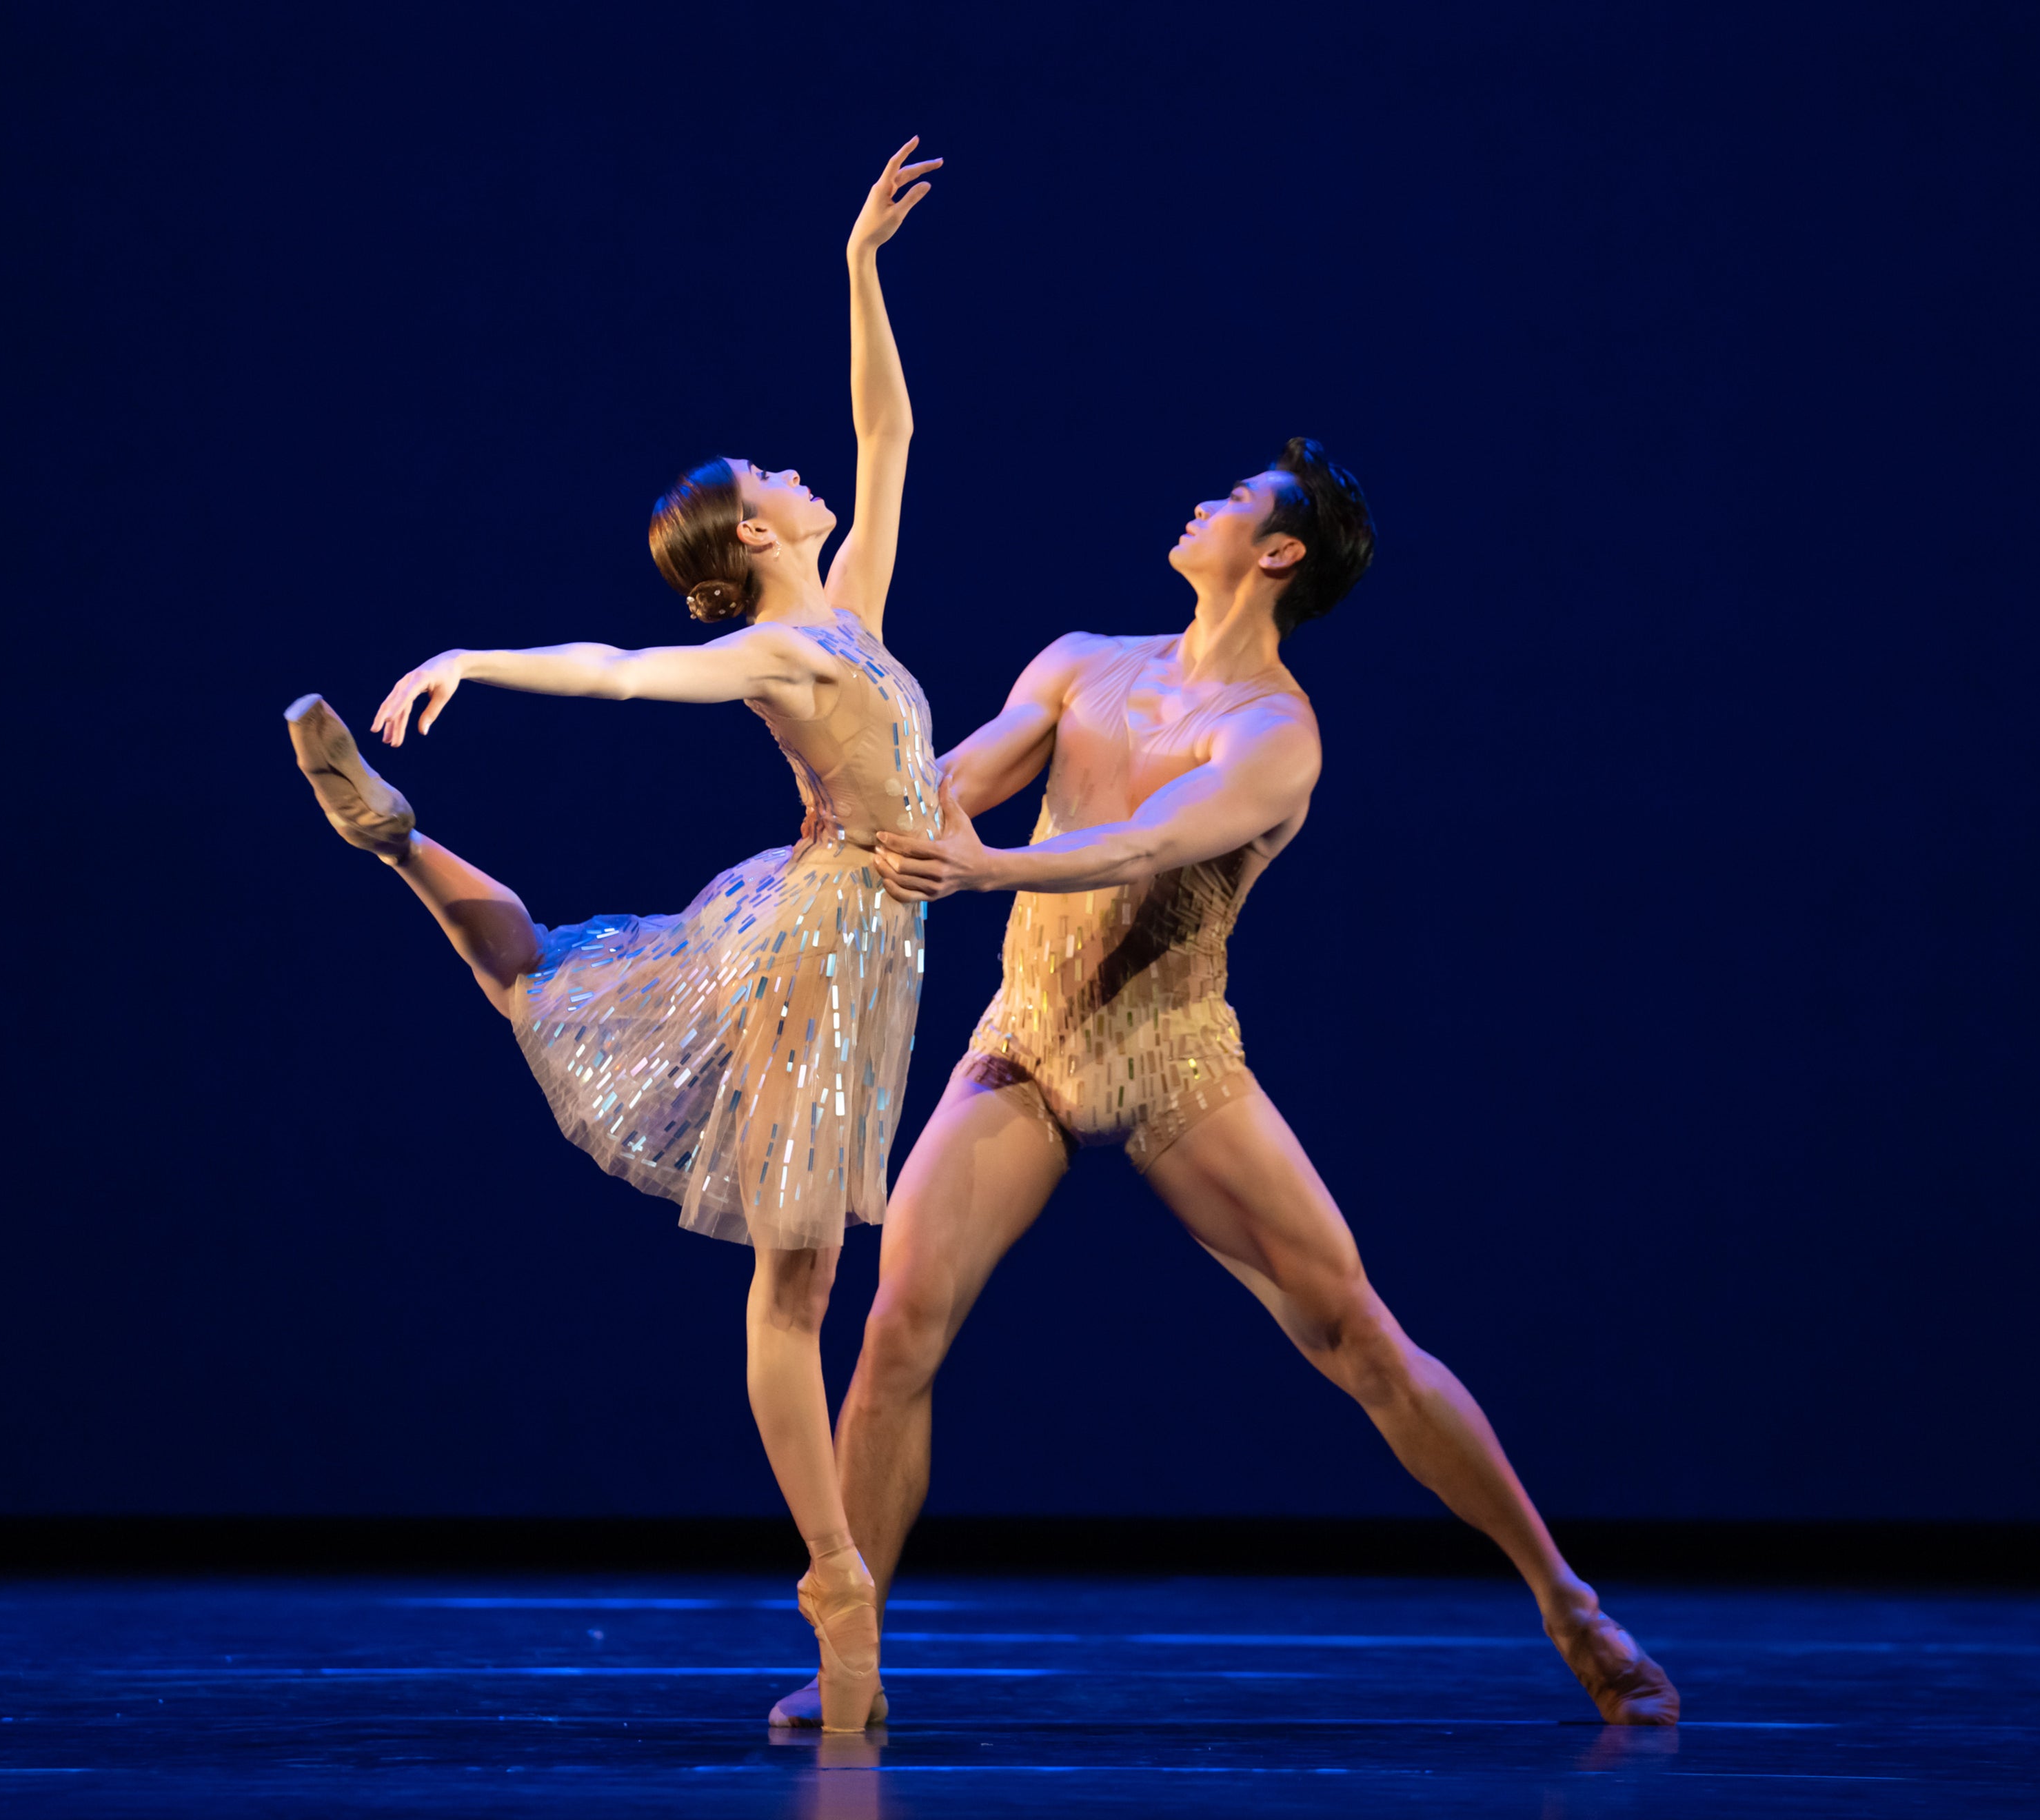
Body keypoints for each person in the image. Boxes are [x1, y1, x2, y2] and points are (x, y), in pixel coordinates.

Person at [776, 438, 1680, 1728]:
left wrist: (983, 873)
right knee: (895, 1332)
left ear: (1278, 552)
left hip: (1173, 1058)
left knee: (1357, 1335)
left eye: (1235, 499)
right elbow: (957, 784)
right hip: (1022, 1040)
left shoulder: (1274, 735)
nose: (1201, 500)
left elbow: (1147, 842)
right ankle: (845, 1668)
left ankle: (1569, 1604)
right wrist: (849, 798)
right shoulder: (1084, 661)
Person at [281, 141, 947, 1733]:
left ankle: (393, 842)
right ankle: (836, 1575)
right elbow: (627, 669)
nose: (806, 471)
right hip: (819, 958)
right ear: (754, 538)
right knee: (789, 1287)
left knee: (549, 984)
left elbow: (889, 425)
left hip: (847, 938)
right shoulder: (782, 655)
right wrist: (478, 658)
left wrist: (855, 264)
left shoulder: (845, 604)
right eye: (772, 479)